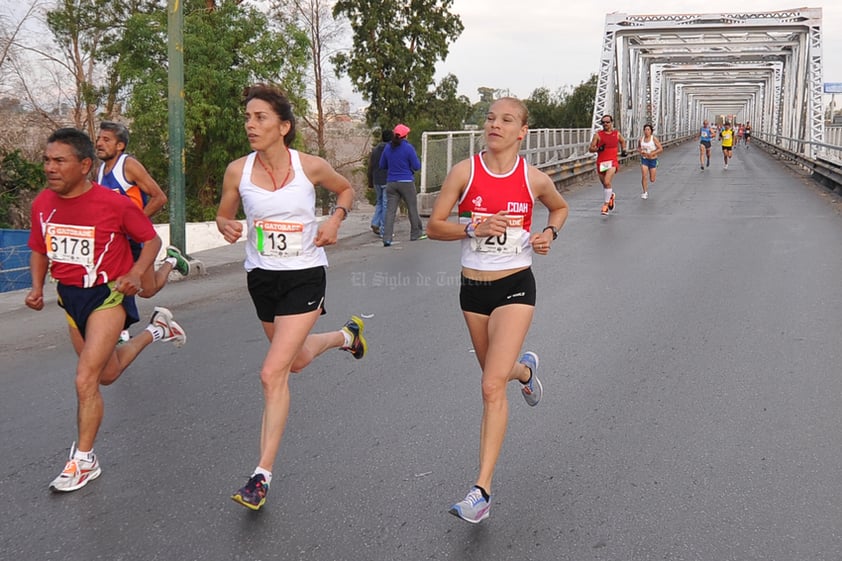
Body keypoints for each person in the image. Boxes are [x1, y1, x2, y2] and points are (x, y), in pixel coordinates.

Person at [215, 84, 368, 511]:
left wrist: (335, 220)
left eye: (260, 117)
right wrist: (225, 223)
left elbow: (346, 192)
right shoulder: (237, 171)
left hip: (304, 275)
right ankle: (345, 336)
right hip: (262, 278)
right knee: (295, 361)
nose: (250, 124)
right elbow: (224, 212)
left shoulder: (311, 166)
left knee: (271, 373)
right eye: (247, 117)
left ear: (283, 126)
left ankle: (260, 476)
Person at [426, 97, 569, 524]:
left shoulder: (534, 178)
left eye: (507, 120)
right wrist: (471, 226)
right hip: (473, 289)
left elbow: (559, 208)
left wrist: (548, 234)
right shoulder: (465, 172)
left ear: (522, 131)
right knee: (497, 372)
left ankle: (481, 491)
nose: (495, 124)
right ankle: (524, 371)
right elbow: (433, 226)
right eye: (491, 117)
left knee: (490, 386)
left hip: (514, 286)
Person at [26, 128, 186, 493]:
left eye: (59, 161)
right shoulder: (41, 204)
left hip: (106, 297)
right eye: (47, 160)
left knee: (85, 379)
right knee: (107, 374)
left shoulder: (114, 204)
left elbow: (151, 240)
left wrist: (133, 272)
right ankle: (158, 329)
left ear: (84, 166)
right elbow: (38, 246)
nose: (50, 168)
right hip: (70, 299)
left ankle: (84, 460)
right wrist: (36, 287)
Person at [95, 121, 191, 300]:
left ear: (120, 145)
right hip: (116, 240)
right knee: (114, 287)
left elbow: (159, 197)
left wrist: (134, 224)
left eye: (106, 140)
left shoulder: (128, 165)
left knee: (148, 291)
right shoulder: (101, 171)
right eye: (99, 139)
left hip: (136, 238)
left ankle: (172, 260)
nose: (99, 143)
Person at [379, 123, 426, 246]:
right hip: (406, 182)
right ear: (405, 136)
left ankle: (387, 238)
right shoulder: (408, 148)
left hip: (391, 182)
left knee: (390, 211)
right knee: (412, 208)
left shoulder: (388, 148)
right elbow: (416, 166)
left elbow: (382, 165)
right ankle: (416, 233)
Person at [588, 114, 627, 215]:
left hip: (612, 162)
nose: (605, 124)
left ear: (611, 123)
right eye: (603, 122)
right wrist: (597, 149)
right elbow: (590, 148)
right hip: (601, 163)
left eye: (607, 122)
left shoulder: (616, 134)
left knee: (607, 181)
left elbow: (623, 141)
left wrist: (624, 150)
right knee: (605, 185)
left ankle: (605, 206)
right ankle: (611, 197)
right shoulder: (598, 135)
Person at [367, 129, 393, 236]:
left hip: (376, 179)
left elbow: (370, 167)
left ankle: (375, 222)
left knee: (380, 202)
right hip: (387, 179)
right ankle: (384, 230)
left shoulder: (375, 150)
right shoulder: (392, 150)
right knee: (386, 204)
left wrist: (370, 182)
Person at [637, 123, 663, 199]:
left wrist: (652, 153)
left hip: (653, 159)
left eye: (648, 129)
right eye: (645, 129)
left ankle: (656, 164)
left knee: (652, 179)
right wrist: (640, 151)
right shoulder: (641, 139)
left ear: (651, 131)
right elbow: (638, 148)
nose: (646, 131)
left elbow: (660, 149)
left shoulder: (654, 139)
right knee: (644, 175)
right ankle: (645, 192)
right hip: (644, 159)